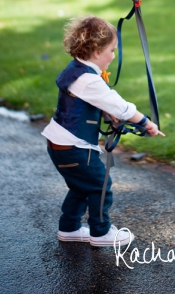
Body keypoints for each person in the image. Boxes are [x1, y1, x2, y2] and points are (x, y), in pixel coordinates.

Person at [42, 16, 163, 247]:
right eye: (112, 50)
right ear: (97, 51)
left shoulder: (77, 69)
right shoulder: (89, 79)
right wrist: (145, 121)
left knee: (81, 186)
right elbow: (120, 106)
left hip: (61, 145)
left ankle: (69, 228)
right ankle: (101, 232)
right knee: (100, 185)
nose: (114, 55)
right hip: (74, 147)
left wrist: (109, 116)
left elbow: (95, 104)